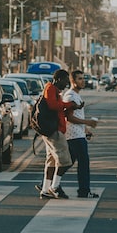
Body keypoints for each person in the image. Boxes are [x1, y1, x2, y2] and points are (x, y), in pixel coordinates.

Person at [35, 68, 75, 199]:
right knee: (65, 161)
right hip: (54, 131)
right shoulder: (51, 89)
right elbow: (53, 106)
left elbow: (56, 105)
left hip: (52, 130)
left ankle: (46, 189)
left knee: (51, 162)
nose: (66, 84)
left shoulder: (53, 89)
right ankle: (54, 187)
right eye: (65, 81)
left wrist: (68, 105)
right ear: (58, 79)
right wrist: (68, 104)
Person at [62, 69, 99, 198]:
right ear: (72, 81)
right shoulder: (70, 96)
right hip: (73, 135)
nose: (83, 81)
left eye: (83, 78)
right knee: (83, 162)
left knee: (68, 162)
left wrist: (85, 130)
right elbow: (69, 117)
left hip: (78, 134)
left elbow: (75, 116)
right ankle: (84, 190)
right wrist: (88, 122)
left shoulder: (76, 95)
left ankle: (49, 182)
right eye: (80, 79)